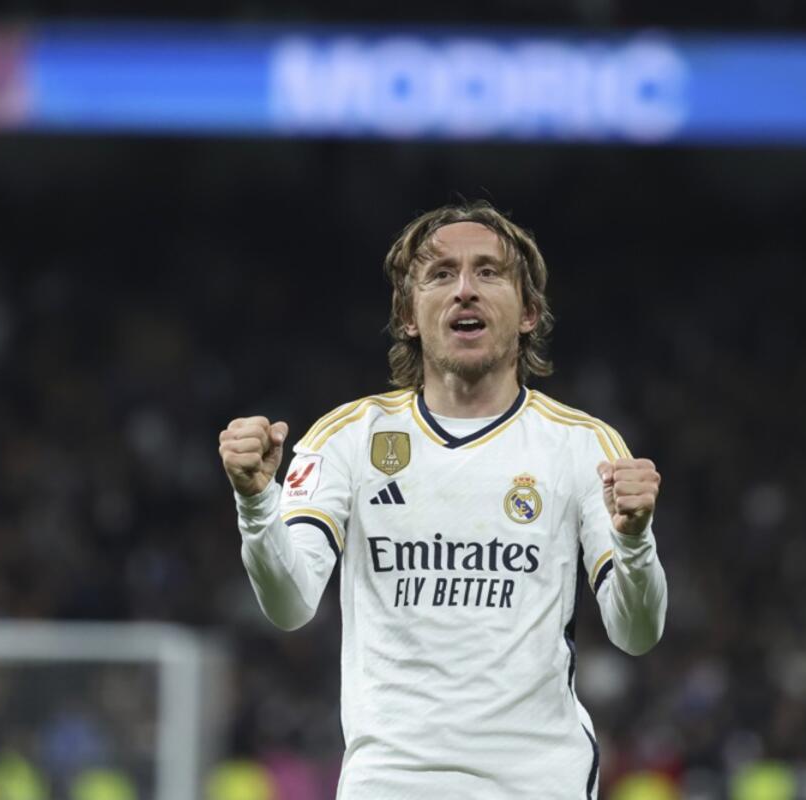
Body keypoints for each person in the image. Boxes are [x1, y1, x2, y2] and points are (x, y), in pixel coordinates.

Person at [218, 201, 668, 799]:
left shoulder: (582, 445)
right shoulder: (348, 437)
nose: (464, 290)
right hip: (391, 784)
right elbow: (290, 604)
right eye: (440, 274)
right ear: (408, 314)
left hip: (535, 785)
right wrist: (256, 504)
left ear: (529, 312)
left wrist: (635, 540)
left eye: (488, 271)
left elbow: (636, 633)